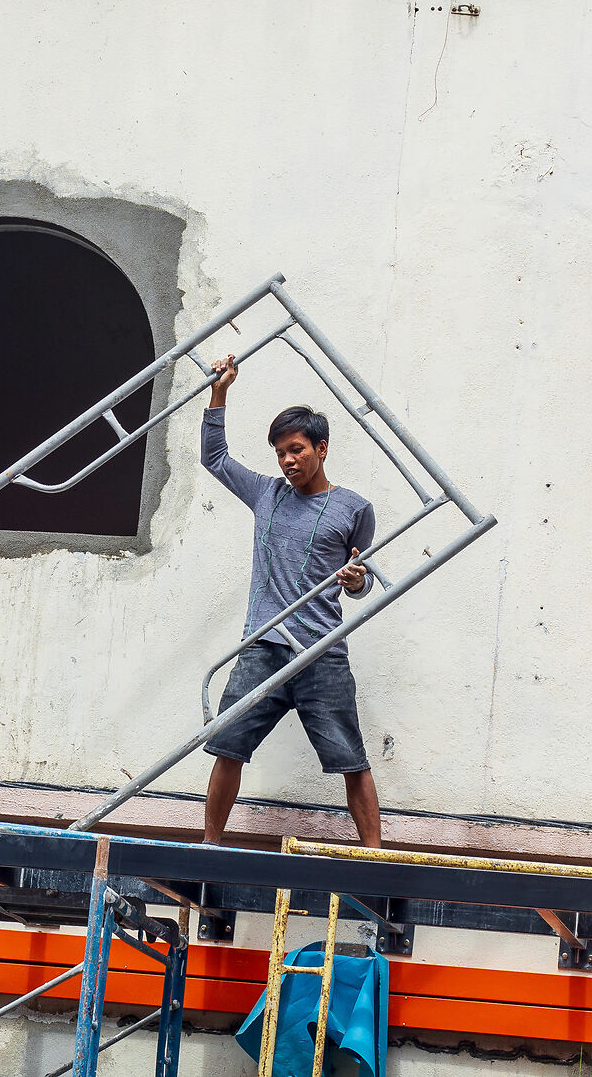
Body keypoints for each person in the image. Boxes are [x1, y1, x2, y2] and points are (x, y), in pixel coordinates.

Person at [199, 355, 382, 848]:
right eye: (281, 452)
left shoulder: (354, 509)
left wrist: (354, 582)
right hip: (264, 645)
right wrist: (220, 394)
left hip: (322, 652)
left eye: (297, 449)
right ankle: (210, 844)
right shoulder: (266, 494)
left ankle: (374, 855)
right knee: (228, 745)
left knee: (351, 757)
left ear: (321, 449)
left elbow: (362, 582)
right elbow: (214, 458)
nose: (288, 460)